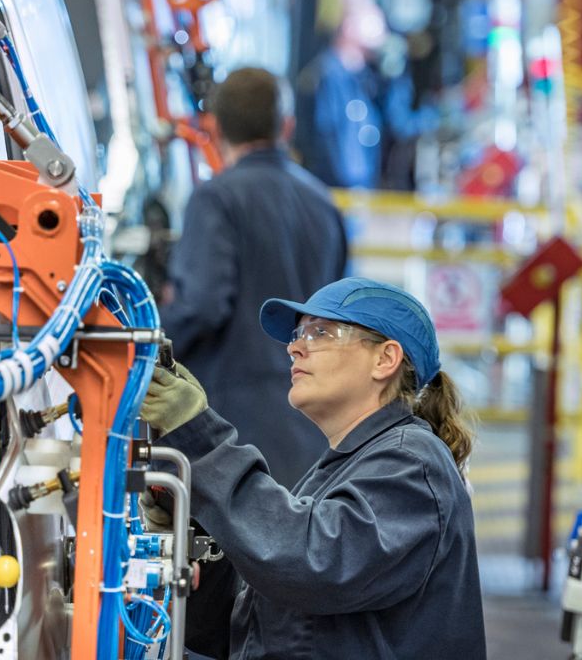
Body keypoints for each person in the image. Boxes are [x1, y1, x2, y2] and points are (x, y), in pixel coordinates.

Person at [143, 277, 486, 659]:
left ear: (385, 359)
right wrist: (199, 525)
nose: (294, 347)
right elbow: (246, 630)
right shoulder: (343, 471)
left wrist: (200, 439)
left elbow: (313, 563)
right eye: (297, 335)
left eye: (320, 332)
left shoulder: (414, 464)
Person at [161, 67, 346, 490]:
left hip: (229, 426)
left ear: (214, 128)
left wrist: (145, 343)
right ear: (287, 126)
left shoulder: (216, 197)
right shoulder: (324, 204)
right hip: (312, 424)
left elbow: (202, 306)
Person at [295, 0, 438, 190]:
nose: (377, 15)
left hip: (360, 192)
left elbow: (399, 123)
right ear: (347, 22)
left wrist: (393, 65)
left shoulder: (367, 78)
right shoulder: (330, 79)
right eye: (366, 6)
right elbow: (335, 151)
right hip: (343, 195)